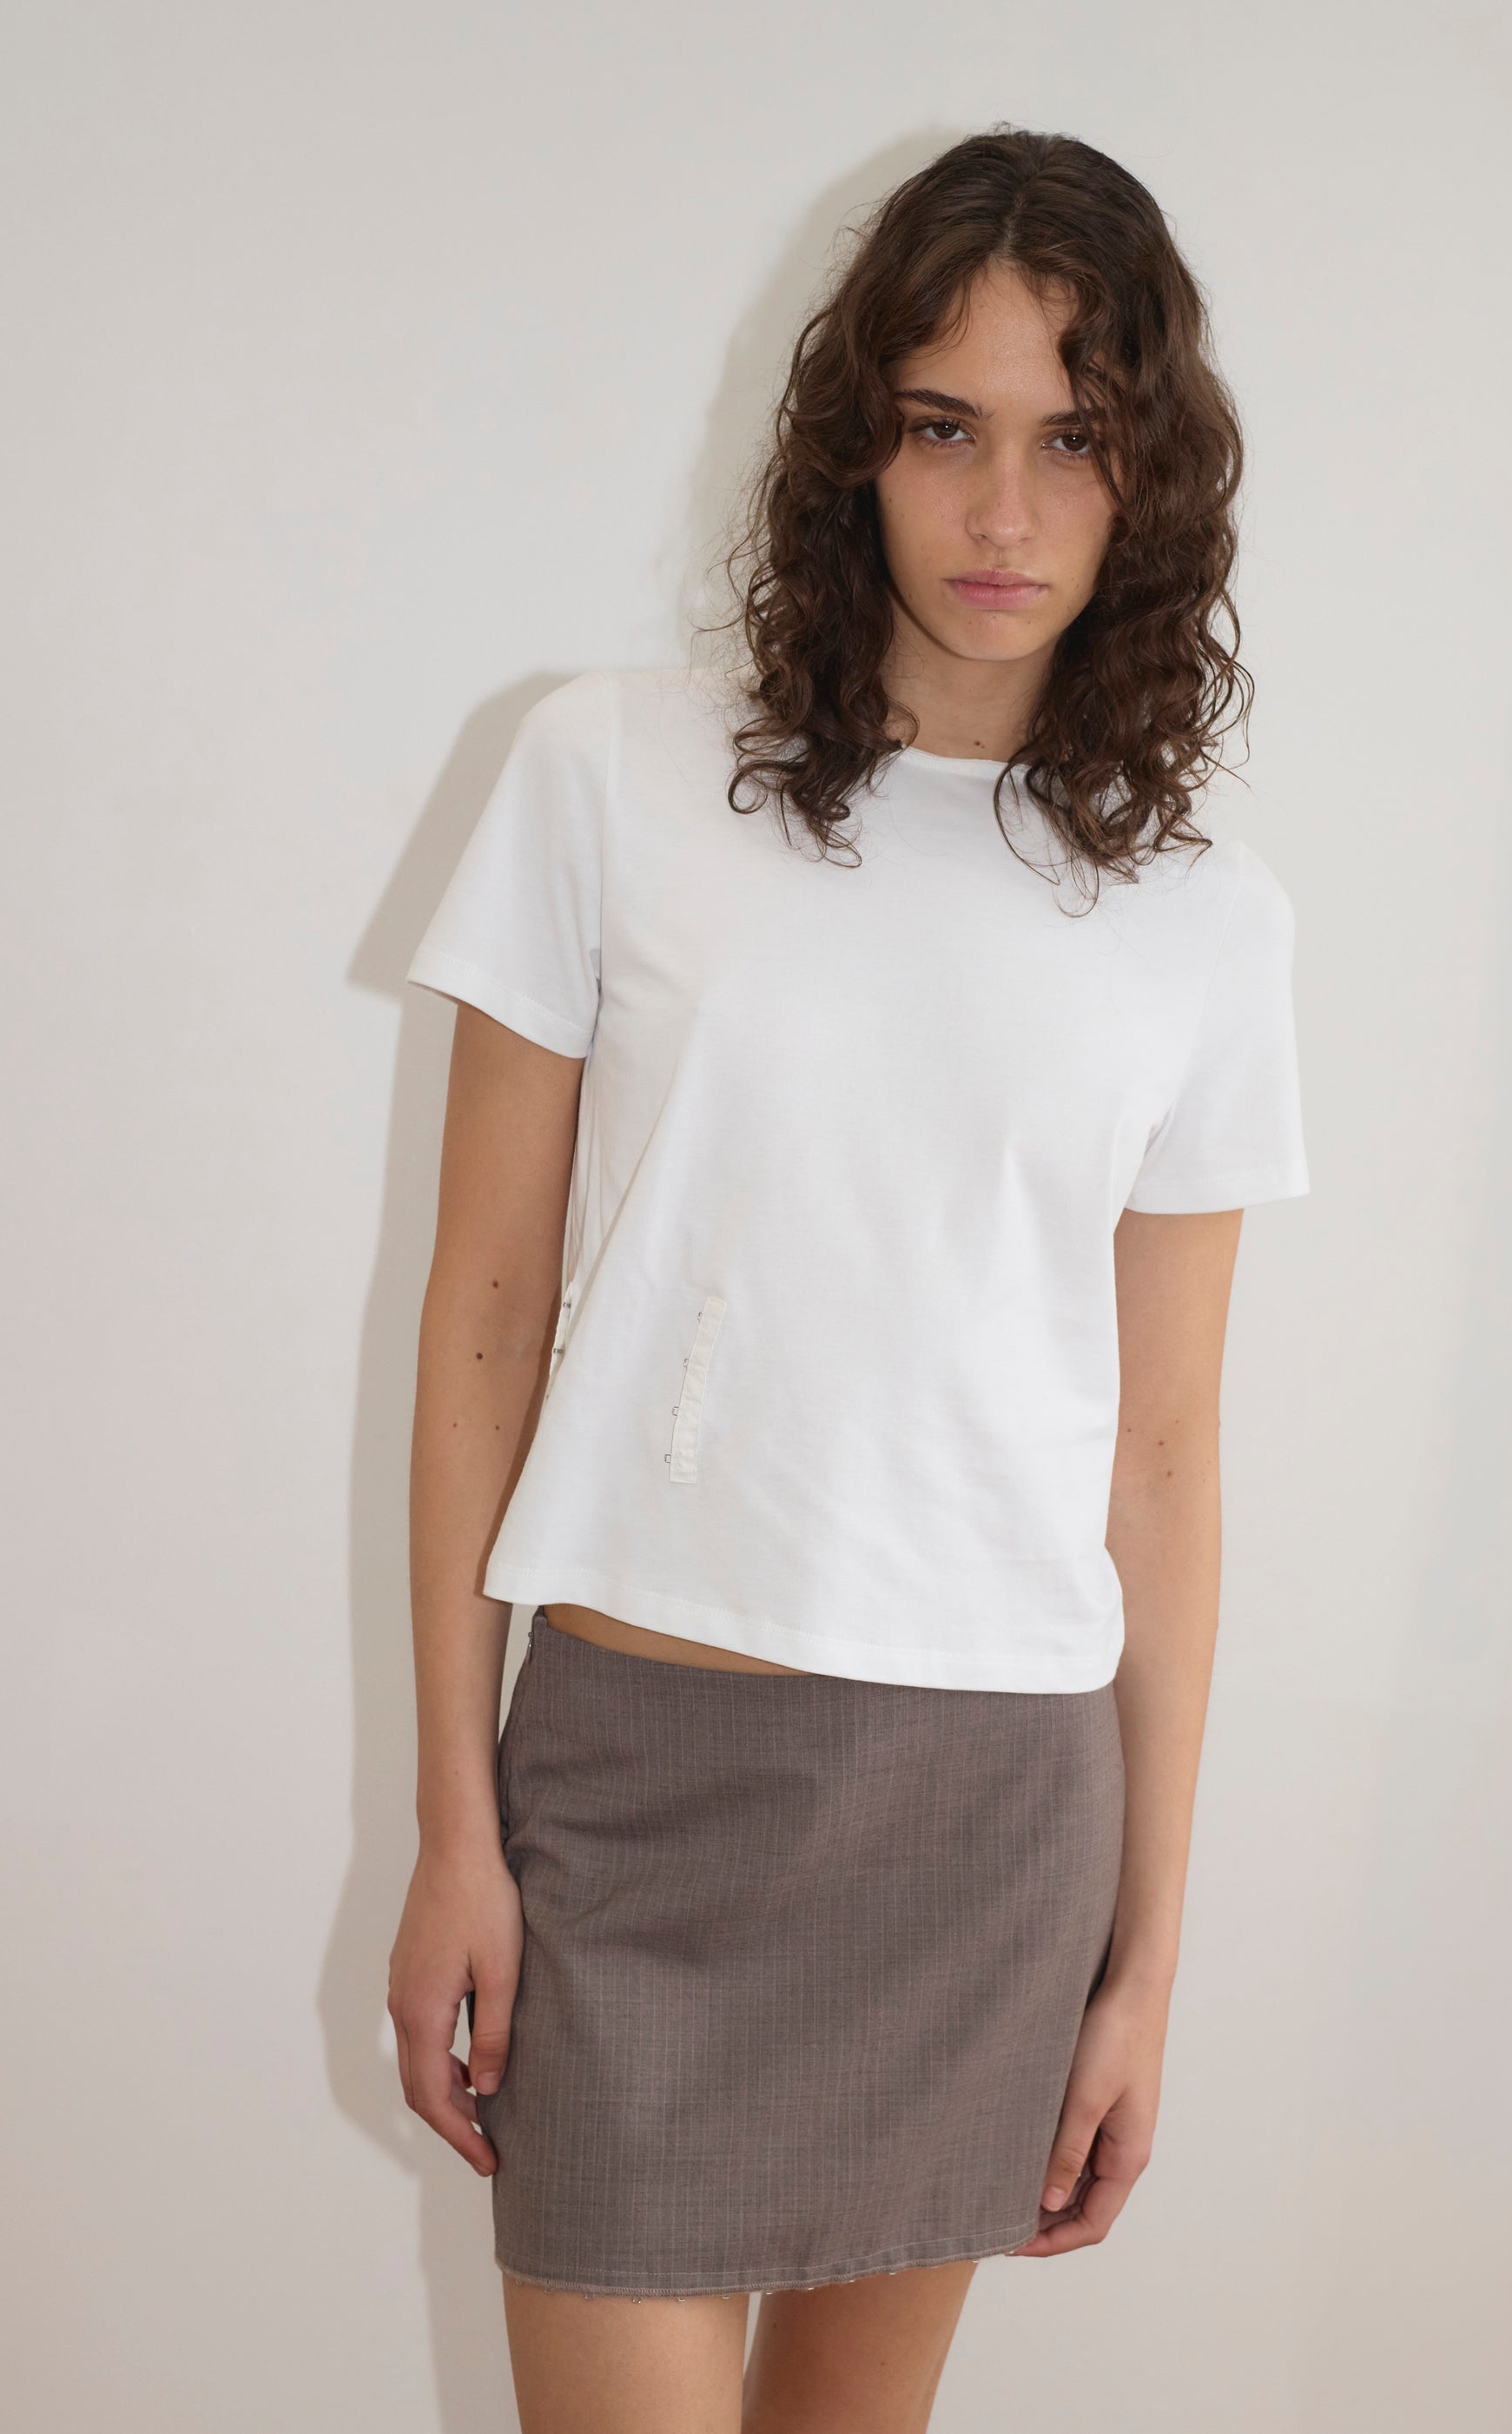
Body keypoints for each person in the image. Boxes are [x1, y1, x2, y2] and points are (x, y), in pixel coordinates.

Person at [386, 124, 1308, 2434]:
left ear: (1154, 477)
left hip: (990, 1819)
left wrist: (1149, 1961)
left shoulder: (1203, 923)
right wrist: (454, 1825)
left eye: (1074, 439)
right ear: (853, 447)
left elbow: (1165, 1457)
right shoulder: (609, 774)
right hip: (638, 1783)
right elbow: (481, 1321)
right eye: (942, 425)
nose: (1004, 508)